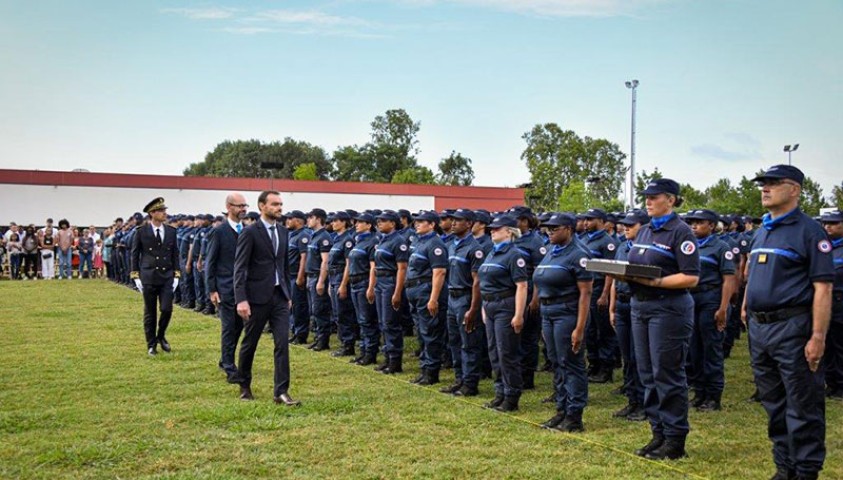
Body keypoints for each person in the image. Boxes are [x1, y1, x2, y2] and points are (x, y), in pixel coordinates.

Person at [742, 165, 833, 480]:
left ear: (794, 189)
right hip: (759, 327)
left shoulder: (810, 231)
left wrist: (818, 336)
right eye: (763, 184)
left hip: (793, 327)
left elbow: (823, 287)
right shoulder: (763, 229)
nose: (765, 189)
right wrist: (745, 306)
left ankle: (806, 470)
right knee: (774, 402)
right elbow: (753, 274)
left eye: (773, 184)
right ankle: (785, 467)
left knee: (802, 402)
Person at [613, 178, 700, 461]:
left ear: (671, 200)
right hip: (641, 306)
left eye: (655, 196)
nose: (648, 201)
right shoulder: (646, 231)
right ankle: (658, 433)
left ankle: (675, 440)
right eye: (646, 196)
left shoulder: (681, 232)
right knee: (647, 373)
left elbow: (691, 276)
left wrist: (655, 283)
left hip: (668, 308)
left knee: (667, 373)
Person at [230, 190, 300, 406]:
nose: (279, 208)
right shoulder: (251, 232)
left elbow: (284, 266)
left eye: (280, 204)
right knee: (250, 342)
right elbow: (240, 268)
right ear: (262, 206)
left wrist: (287, 293)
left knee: (282, 343)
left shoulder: (283, 231)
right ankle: (244, 385)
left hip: (279, 297)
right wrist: (241, 299)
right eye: (274, 204)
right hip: (256, 297)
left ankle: (281, 391)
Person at [533, 213, 593, 432]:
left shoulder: (579, 254)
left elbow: (585, 294)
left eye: (554, 228)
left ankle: (574, 416)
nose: (549, 231)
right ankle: (562, 409)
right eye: (547, 228)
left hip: (567, 312)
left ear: (568, 229)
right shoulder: (551, 251)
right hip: (548, 311)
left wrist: (579, 327)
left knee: (571, 363)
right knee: (557, 362)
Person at [684, 209, 737, 412]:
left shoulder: (721, 247)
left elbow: (729, 279)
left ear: (712, 226)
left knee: (711, 349)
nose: (694, 226)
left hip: (711, 299)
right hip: (691, 298)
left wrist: (723, 308)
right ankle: (699, 392)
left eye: (699, 222)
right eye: (692, 223)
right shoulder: (689, 247)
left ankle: (713, 396)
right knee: (694, 349)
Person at [478, 214, 528, 412]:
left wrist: (518, 314)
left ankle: (511, 395)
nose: (492, 231)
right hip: (490, 305)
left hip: (505, 305)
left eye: (496, 229)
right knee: (494, 351)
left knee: (506, 352)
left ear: (509, 231)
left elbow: (522, 286)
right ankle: (500, 392)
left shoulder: (514, 254)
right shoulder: (492, 253)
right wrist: (484, 305)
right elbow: (485, 283)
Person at [440, 209, 486, 396]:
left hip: (466, 298)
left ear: (469, 224)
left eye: (458, 221)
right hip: (452, 297)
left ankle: (470, 383)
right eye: (452, 220)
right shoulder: (452, 245)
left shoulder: (475, 249)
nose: (453, 223)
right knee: (454, 340)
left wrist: (473, 308)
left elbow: (477, 281)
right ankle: (460, 379)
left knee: (469, 343)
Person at [609, 210, 649, 422]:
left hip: (639, 303)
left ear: (643, 227)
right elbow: (616, 277)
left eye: (630, 225)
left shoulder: (647, 249)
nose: (625, 228)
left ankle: (644, 403)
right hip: (623, 303)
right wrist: (612, 307)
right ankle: (632, 399)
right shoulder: (623, 247)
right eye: (624, 225)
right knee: (627, 356)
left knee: (639, 357)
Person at [206, 193, 248, 382]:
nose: (243, 209)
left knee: (239, 326)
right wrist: (212, 289)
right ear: (229, 207)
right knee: (229, 327)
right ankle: (230, 367)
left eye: (244, 206)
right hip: (225, 287)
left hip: (244, 288)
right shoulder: (219, 231)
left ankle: (225, 359)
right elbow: (211, 262)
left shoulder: (247, 230)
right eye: (239, 206)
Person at [131, 198, 181, 356]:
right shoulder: (141, 231)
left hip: (166, 275)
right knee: (150, 312)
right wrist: (135, 275)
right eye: (161, 211)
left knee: (167, 308)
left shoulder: (171, 231)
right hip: (149, 275)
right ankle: (151, 344)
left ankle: (161, 336)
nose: (164, 213)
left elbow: (175, 254)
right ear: (152, 213)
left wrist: (176, 274)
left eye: (164, 210)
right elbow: (135, 254)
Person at [405, 210, 449, 385]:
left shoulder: (435, 244)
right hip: (415, 291)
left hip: (426, 291)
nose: (417, 224)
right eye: (416, 221)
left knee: (430, 332)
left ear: (432, 225)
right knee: (422, 332)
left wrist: (433, 299)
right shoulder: (418, 242)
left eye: (422, 222)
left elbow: (439, 273)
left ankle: (431, 372)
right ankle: (424, 367)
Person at [581, 208, 620, 384]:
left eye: (590, 219)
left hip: (599, 288)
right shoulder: (584, 240)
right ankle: (594, 364)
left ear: (601, 221)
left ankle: (606, 368)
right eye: (586, 219)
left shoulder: (607, 242)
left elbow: (611, 271)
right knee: (589, 330)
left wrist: (605, 294)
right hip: (587, 289)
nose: (586, 222)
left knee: (603, 331)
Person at [368, 210, 409, 375]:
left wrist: (397, 292)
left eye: (383, 220)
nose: (379, 223)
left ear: (393, 223)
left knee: (391, 323)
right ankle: (387, 356)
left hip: (391, 283)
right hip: (380, 282)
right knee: (383, 322)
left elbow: (402, 268)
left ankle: (395, 361)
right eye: (378, 220)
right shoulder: (383, 240)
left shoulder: (398, 241)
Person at [344, 212, 380, 365]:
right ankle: (363, 350)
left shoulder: (373, 242)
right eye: (356, 222)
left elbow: (373, 267)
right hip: (354, 283)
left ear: (369, 225)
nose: (356, 224)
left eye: (360, 222)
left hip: (364, 282)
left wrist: (371, 287)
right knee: (360, 319)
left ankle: (370, 353)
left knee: (367, 319)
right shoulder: (358, 241)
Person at [820, 210, 843, 400]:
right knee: (826, 344)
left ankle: (841, 385)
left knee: (840, 344)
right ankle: (831, 382)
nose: (828, 227)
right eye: (826, 223)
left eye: (833, 223)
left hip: (840, 301)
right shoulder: (822, 248)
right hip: (824, 301)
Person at [328, 211, 358, 357]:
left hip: (341, 276)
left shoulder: (348, 240)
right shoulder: (336, 239)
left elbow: (348, 264)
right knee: (336, 313)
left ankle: (348, 344)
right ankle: (343, 342)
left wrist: (343, 284)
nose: (333, 223)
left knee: (343, 312)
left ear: (344, 222)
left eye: (336, 221)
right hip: (333, 276)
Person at [305, 208, 333, 351]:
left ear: (318, 219)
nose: (308, 220)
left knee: (320, 310)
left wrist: (321, 281)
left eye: (311, 217)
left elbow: (325, 261)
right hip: (311, 277)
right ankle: (318, 338)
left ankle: (323, 340)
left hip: (317, 277)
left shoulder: (324, 237)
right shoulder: (313, 235)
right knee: (314, 310)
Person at [286, 210, 311, 344]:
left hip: (296, 276)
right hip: (288, 276)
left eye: (290, 219)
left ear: (299, 221)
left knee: (299, 306)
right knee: (291, 306)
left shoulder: (303, 236)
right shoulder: (292, 235)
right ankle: (294, 330)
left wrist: (301, 276)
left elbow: (304, 257)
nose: (287, 221)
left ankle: (301, 333)